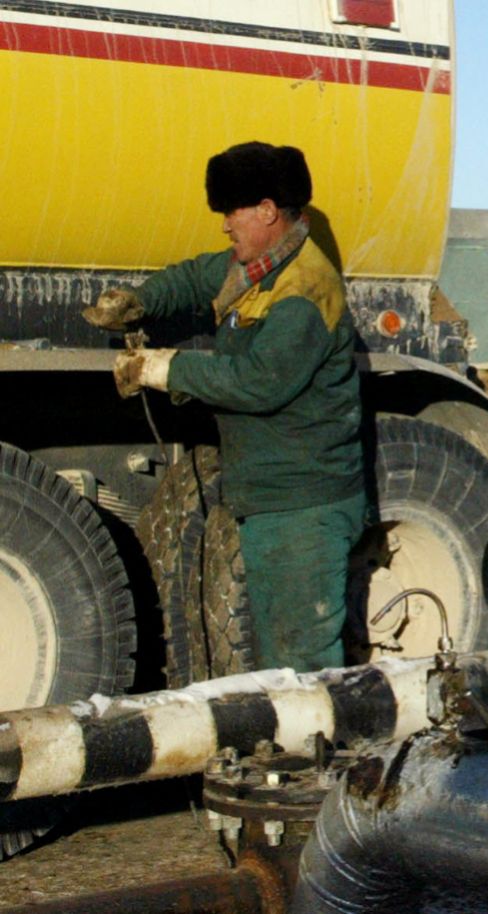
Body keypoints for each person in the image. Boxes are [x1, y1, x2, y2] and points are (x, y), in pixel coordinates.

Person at [83, 141, 364, 673]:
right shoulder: (255, 266)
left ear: (266, 211)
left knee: (301, 663)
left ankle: (319, 754)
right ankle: (296, 751)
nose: (224, 226)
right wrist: (139, 301)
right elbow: (194, 277)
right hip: (274, 499)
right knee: (282, 656)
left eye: (231, 212)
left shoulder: (305, 291)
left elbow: (260, 382)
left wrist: (163, 369)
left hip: (303, 504)